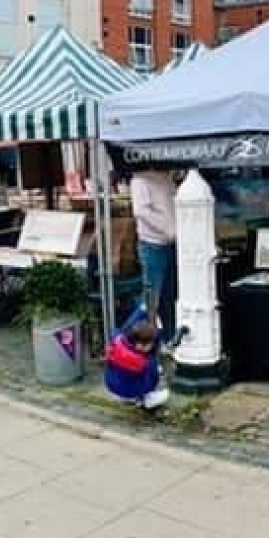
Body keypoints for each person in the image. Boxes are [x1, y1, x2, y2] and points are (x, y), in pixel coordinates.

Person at [130, 169, 179, 340]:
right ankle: (141, 342)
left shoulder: (166, 177)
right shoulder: (140, 179)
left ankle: (167, 337)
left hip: (170, 243)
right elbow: (141, 212)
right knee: (152, 299)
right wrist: (169, 229)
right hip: (153, 244)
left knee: (168, 295)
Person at [104, 309, 169, 411]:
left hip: (110, 384)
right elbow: (153, 380)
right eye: (150, 344)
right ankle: (144, 400)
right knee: (163, 389)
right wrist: (160, 329)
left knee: (126, 375)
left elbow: (129, 324)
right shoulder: (145, 362)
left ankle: (125, 396)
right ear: (142, 345)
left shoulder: (117, 339)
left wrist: (141, 310)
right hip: (129, 390)